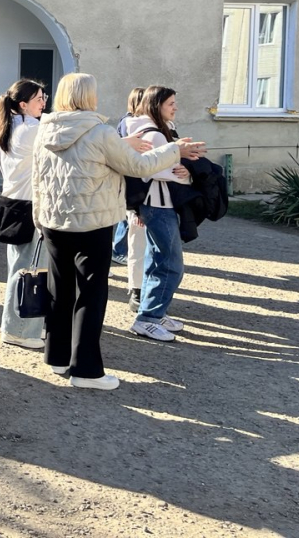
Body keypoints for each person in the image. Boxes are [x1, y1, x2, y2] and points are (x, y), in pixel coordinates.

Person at [31, 73, 205, 391]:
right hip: (92, 222)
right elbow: (137, 166)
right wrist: (174, 150)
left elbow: (38, 177)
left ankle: (56, 357)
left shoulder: (46, 128)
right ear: (89, 96)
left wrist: (38, 217)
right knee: (91, 295)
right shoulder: (100, 131)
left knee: (61, 291)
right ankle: (85, 370)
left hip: (54, 221)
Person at [123, 86, 193, 343]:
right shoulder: (153, 134)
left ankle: (154, 313)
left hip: (158, 204)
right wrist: (182, 171)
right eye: (170, 103)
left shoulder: (152, 130)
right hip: (158, 205)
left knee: (157, 260)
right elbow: (150, 169)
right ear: (156, 105)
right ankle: (148, 319)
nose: (175, 107)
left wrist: (181, 169)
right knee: (171, 264)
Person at [0, 78, 47, 350]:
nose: (44, 103)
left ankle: (19, 327)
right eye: (39, 99)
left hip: (14, 205)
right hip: (29, 206)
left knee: (20, 268)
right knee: (30, 271)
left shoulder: (11, 127)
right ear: (23, 104)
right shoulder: (30, 129)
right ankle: (21, 330)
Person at [112, 87, 146, 268]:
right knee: (127, 214)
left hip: (127, 170)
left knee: (126, 214)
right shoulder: (130, 122)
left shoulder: (126, 120)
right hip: (128, 171)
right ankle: (118, 250)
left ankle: (119, 249)